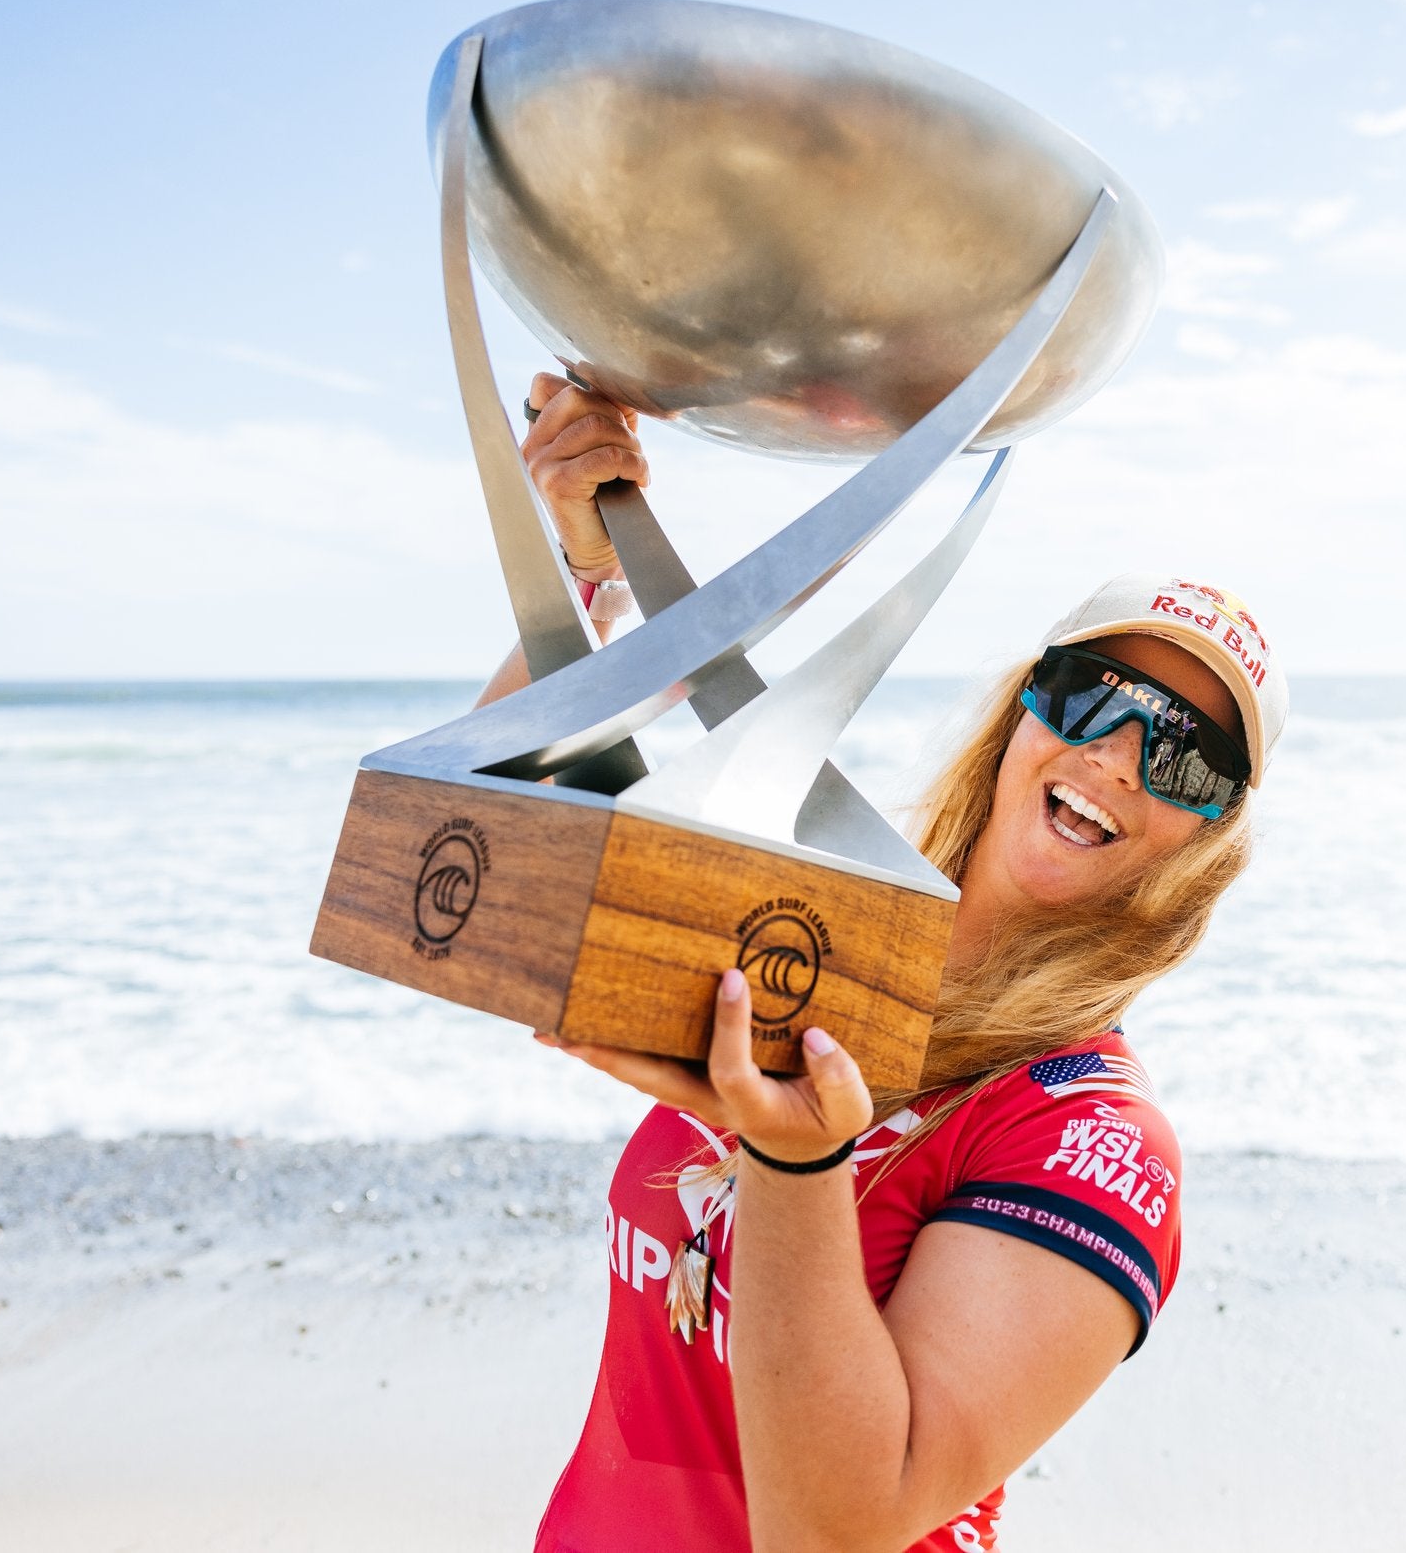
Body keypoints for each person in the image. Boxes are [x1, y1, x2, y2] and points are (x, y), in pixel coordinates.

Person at [499, 373, 1288, 1553]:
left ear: (1208, 839)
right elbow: (493, 870)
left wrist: (794, 1161)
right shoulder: (812, 928)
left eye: (1186, 758)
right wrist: (587, 574)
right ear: (1023, 709)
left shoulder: (1089, 1141)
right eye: (1090, 696)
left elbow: (838, 1528)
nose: (1119, 757)